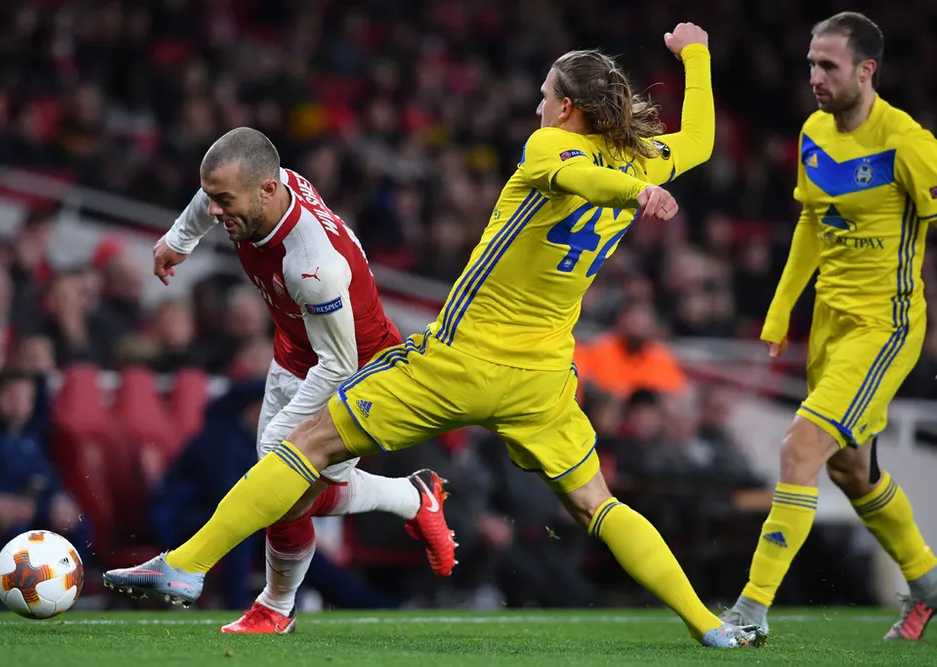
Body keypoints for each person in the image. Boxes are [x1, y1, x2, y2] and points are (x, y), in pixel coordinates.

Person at [106, 23, 765, 648]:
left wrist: (624, 190)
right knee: (597, 502)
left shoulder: (550, 149)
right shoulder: (642, 161)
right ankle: (706, 621)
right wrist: (696, 60)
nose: (536, 105)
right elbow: (700, 141)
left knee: (304, 445)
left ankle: (187, 564)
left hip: (459, 362)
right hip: (541, 381)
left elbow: (574, 176)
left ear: (567, 109)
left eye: (544, 95)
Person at [104, 127, 457, 634]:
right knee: (291, 494)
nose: (218, 211)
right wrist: (176, 241)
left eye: (227, 201)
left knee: (282, 480)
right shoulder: (259, 188)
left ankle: (266, 601)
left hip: (360, 367)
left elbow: (340, 364)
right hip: (294, 353)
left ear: (267, 191)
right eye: (215, 198)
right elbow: (210, 199)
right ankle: (410, 499)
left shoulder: (312, 264)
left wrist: (282, 446)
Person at [720, 12, 937, 641]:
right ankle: (927, 586)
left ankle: (750, 611)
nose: (814, 76)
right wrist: (782, 309)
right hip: (831, 326)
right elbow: (812, 224)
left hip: (885, 327)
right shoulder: (815, 130)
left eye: (828, 66)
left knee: (800, 448)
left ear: (867, 71)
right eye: (811, 63)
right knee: (850, 468)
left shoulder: (907, 142)